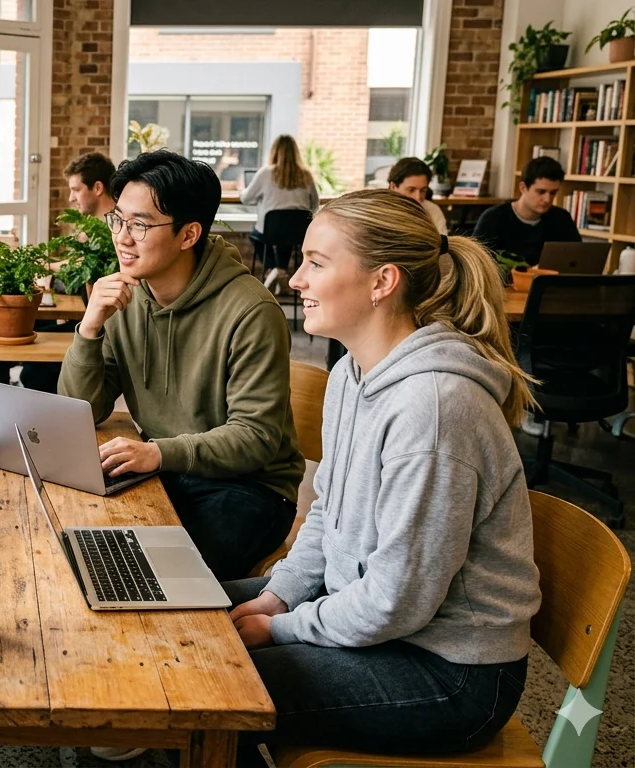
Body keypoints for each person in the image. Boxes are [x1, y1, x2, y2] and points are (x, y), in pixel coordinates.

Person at [221, 188, 541, 767]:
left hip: (451, 671)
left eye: (316, 263)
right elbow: (324, 512)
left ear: (381, 281)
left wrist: (287, 628)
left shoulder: (435, 408)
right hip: (373, 621)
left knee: (214, 684)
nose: (296, 280)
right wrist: (278, 597)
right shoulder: (350, 372)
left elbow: (398, 601)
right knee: (180, 615)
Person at [58, 149, 304, 583]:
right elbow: (84, 409)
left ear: (189, 234)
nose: (123, 237)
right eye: (119, 219)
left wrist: (157, 452)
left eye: (140, 224)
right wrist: (90, 327)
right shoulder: (125, 297)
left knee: (155, 579)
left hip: (249, 490)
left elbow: (257, 436)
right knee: (72, 540)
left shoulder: (252, 311)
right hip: (165, 468)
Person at [19, 151, 118, 394]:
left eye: (76, 189)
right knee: (34, 331)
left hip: (104, 331)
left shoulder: (115, 230)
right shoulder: (93, 227)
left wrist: (45, 267)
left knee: (33, 367)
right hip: (87, 321)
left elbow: (80, 269)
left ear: (97, 187)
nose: (71, 198)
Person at [241, 134, 320, 293]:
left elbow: (246, 198)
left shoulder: (266, 173)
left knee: (257, 237)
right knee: (287, 236)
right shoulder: (306, 174)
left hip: (270, 230)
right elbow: (315, 204)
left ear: (274, 151)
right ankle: (282, 270)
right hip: (299, 232)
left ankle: (272, 269)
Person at [473, 156, 580, 265]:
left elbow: (577, 260)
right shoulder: (493, 219)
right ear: (523, 188)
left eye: (553, 193)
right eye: (540, 191)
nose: (547, 199)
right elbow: (474, 264)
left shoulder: (562, 219)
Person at [387, 157, 449, 234]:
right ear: (393, 187)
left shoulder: (433, 211)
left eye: (423, 190)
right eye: (411, 190)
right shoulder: (377, 212)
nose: (418, 197)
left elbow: (443, 244)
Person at [65, 152, 116, 218]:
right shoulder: (84, 225)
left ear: (98, 188)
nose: (71, 198)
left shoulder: (125, 226)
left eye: (76, 190)